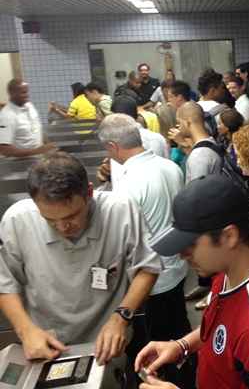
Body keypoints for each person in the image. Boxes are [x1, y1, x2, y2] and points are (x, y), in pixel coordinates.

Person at [135, 175, 249, 389]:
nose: (182, 254)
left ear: (229, 236)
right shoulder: (232, 266)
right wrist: (182, 346)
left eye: (190, 244)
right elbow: (220, 332)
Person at [0, 152, 161, 362]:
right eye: (49, 219)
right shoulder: (17, 220)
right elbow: (5, 283)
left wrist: (122, 317)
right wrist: (26, 330)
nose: (62, 227)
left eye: (71, 216)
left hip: (107, 343)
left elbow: (147, 267)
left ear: (89, 193)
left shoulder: (120, 210)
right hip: (48, 343)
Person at [96, 115, 195, 388]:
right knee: (179, 333)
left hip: (150, 279)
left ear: (113, 146)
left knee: (153, 349)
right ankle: (188, 377)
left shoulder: (128, 184)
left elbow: (123, 239)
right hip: (176, 267)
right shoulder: (169, 167)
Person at [0, 79, 56, 158]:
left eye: (27, 91)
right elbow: (4, 149)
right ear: (12, 93)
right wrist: (37, 151)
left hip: (38, 159)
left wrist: (47, 145)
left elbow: (37, 129)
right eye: (23, 92)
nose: (27, 95)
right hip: (21, 164)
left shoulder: (29, 105)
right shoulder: (6, 116)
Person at [175, 101, 223, 183]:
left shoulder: (198, 156)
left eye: (179, 122)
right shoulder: (212, 142)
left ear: (187, 122)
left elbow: (197, 193)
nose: (178, 127)